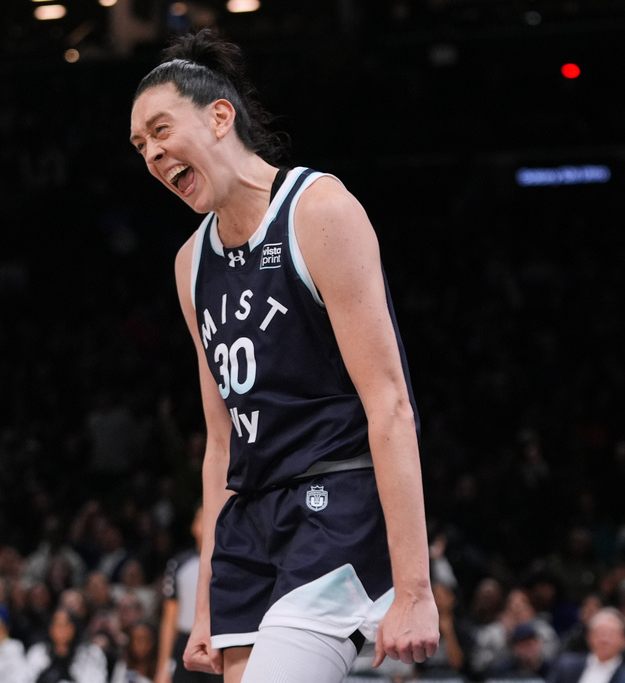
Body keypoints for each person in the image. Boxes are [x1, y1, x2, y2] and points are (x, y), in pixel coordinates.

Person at [128, 29, 439, 683]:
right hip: (250, 526)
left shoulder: (319, 209)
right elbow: (220, 445)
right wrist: (206, 600)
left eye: (161, 130)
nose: (153, 153)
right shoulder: (190, 263)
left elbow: (390, 401)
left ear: (220, 116)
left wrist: (415, 586)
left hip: (337, 506)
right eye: (141, 146)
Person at [155, 506, 221, 683]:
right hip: (186, 639)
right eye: (202, 519)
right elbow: (169, 619)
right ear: (193, 527)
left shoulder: (230, 562)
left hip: (220, 641)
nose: (207, 524)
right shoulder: (180, 563)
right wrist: (163, 667)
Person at [546, 607, 625, 683]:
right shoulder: (566, 666)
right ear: (589, 637)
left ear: (623, 640)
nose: (605, 639)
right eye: (600, 632)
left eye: (612, 634)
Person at [24, 607, 109, 683]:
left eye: (65, 624)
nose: (60, 629)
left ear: (73, 627)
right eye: (56, 624)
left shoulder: (91, 653)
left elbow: (97, 679)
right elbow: (26, 678)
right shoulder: (37, 652)